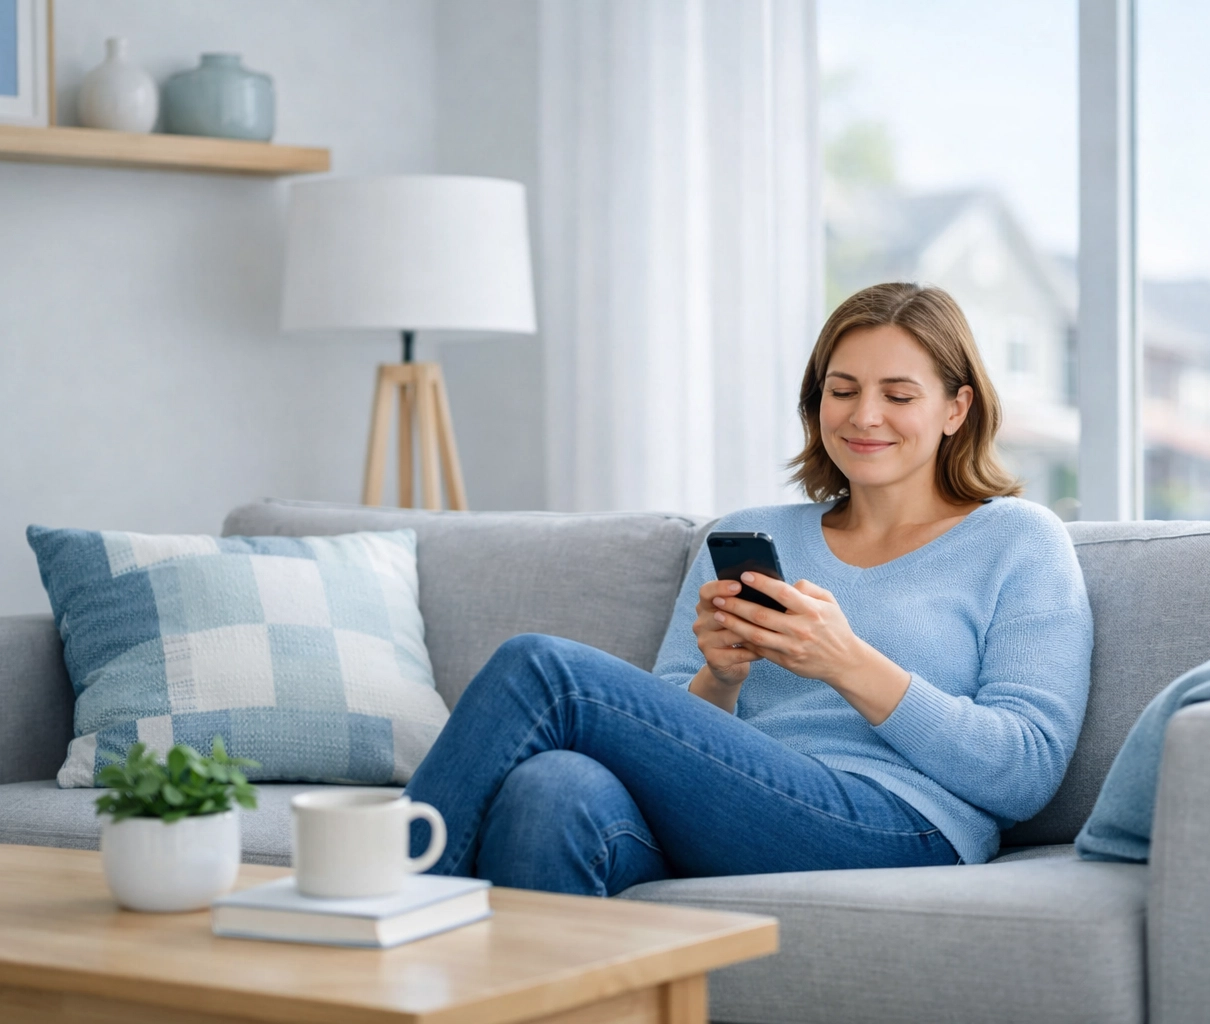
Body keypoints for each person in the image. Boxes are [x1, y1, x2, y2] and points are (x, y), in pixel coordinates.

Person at [403, 282, 1094, 895]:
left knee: (544, 672)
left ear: (956, 408)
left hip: (899, 823)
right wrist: (722, 678)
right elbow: (665, 733)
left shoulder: (1018, 540)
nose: (864, 416)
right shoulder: (751, 535)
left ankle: (378, 910)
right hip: (732, 811)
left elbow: (1025, 772)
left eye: (899, 395)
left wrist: (847, 662)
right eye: (843, 390)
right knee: (548, 791)